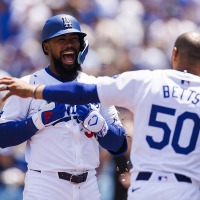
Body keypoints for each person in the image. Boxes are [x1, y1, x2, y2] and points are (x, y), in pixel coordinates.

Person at [2, 31, 200, 200]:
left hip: (144, 188)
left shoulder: (148, 80)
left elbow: (84, 92)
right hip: (188, 189)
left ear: (174, 54)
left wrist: (35, 91)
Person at [0, 14, 127, 200]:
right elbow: (3, 136)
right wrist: (40, 119)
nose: (69, 44)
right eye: (62, 39)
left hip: (88, 186)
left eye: (74, 39)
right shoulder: (28, 85)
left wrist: (101, 127)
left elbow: (120, 145)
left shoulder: (95, 87)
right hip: (45, 185)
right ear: (46, 47)